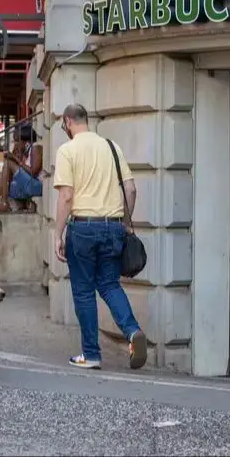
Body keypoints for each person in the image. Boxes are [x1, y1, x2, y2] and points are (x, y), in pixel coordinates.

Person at [53, 103, 147, 370]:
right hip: (113, 227)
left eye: (64, 126)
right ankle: (132, 331)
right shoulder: (112, 147)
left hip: (83, 228)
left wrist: (58, 234)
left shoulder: (68, 151)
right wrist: (126, 223)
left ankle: (91, 354)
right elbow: (130, 189)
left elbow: (66, 196)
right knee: (109, 285)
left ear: (68, 121)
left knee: (83, 291)